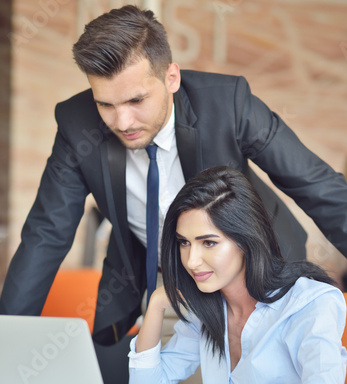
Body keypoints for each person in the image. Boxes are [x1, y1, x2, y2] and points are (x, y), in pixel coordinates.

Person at [1, 4, 347, 350]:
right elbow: (45, 235)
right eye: (106, 104)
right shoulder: (77, 125)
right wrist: (8, 339)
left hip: (258, 278)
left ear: (171, 78)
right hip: (165, 292)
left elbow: (319, 187)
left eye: (136, 100)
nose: (122, 122)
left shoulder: (227, 103)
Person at [112, 166, 347, 384]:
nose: (191, 260)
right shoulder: (206, 309)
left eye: (208, 243)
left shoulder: (311, 303)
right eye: (184, 242)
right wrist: (155, 305)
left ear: (246, 240)